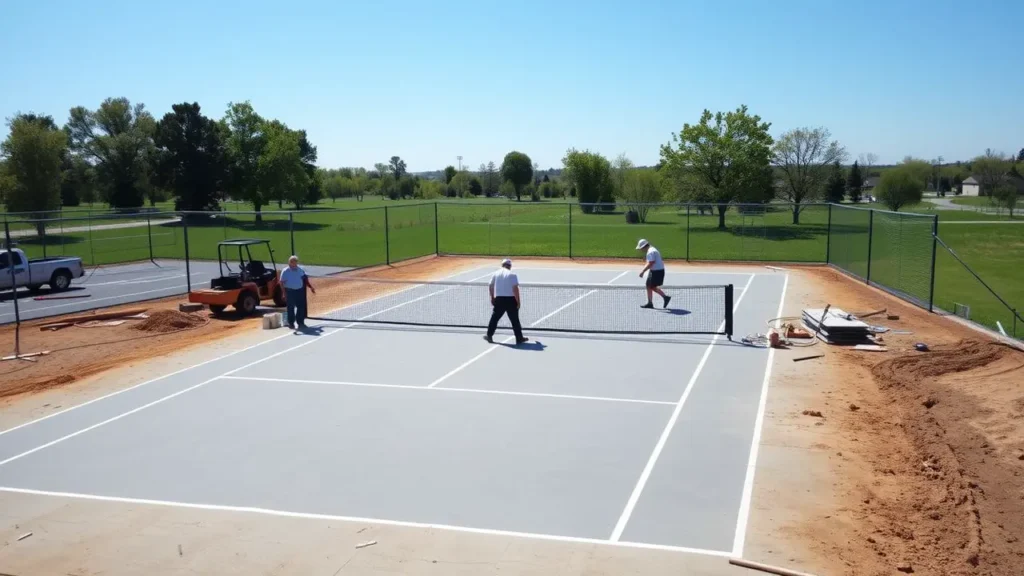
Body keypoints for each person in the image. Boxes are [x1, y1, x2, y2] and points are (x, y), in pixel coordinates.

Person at [484, 258, 528, 345]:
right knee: (515, 320)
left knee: (494, 318)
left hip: (499, 299)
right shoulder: (512, 274)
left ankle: (489, 335)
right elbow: (515, 289)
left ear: (502, 265)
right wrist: (518, 301)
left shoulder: (495, 274)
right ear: (510, 266)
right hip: (511, 300)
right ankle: (519, 338)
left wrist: (492, 298)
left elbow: (490, 286)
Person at [279, 255, 316, 329]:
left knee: (301, 307)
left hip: (299, 291)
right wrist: (284, 293)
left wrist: (311, 287)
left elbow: (305, 280)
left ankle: (300, 322)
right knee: (290, 308)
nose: (294, 263)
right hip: (290, 291)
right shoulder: (285, 271)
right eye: (292, 262)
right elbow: (281, 282)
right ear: (289, 262)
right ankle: (291, 323)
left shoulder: (300, 270)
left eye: (295, 262)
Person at [636, 239, 671, 309]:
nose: (640, 250)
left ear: (644, 246)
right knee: (648, 285)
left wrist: (643, 271)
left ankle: (665, 297)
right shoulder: (651, 249)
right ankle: (650, 303)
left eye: (641, 248)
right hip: (655, 271)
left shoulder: (650, 252)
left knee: (651, 286)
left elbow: (650, 263)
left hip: (657, 272)